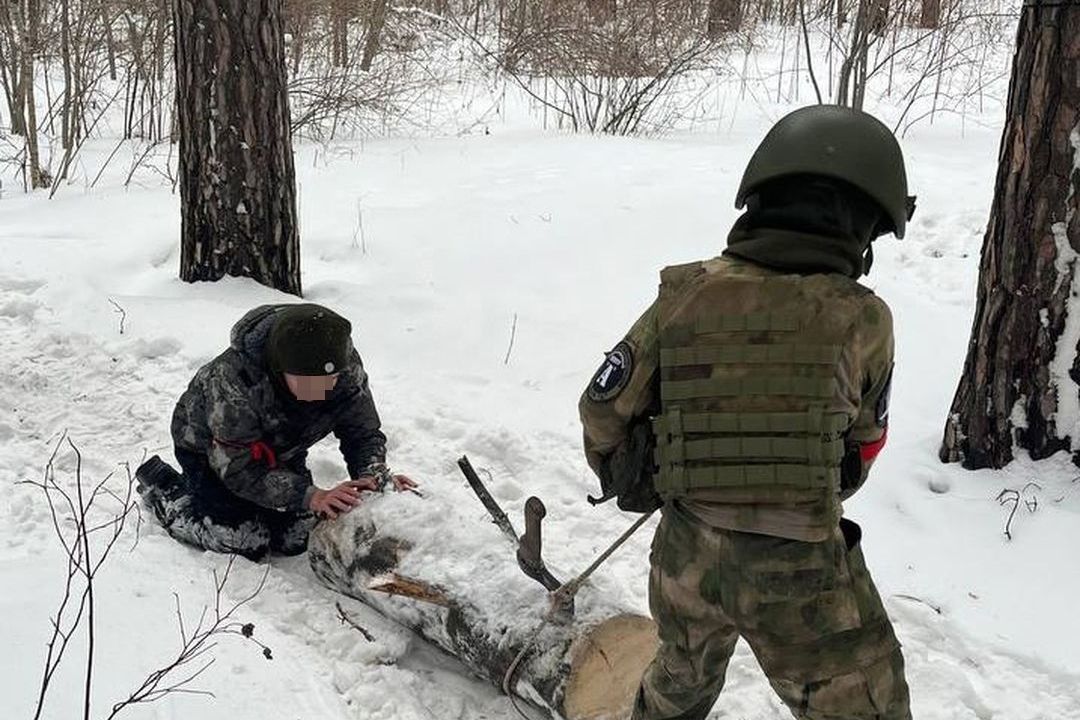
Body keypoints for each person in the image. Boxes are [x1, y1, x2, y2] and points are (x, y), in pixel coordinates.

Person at [578, 105, 915, 720]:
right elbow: (863, 449)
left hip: (685, 556)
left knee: (677, 686)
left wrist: (654, 473)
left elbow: (602, 410)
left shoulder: (684, 295)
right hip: (799, 570)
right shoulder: (863, 318)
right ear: (864, 225)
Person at [136, 303, 415, 560]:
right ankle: (167, 489)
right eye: (308, 382)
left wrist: (372, 474)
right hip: (211, 452)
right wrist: (311, 495)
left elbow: (362, 431)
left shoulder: (341, 365)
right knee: (243, 542)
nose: (321, 392)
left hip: (281, 448)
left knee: (297, 537)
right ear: (280, 370)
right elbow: (238, 469)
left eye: (329, 381)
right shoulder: (233, 381)